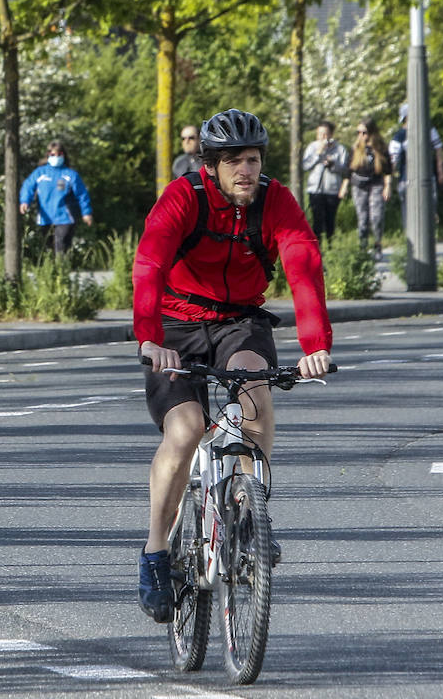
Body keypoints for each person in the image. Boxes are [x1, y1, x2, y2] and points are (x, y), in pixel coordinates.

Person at [132, 108, 333, 624]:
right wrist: (151, 339)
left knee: (255, 391)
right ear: (212, 166)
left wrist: (314, 344)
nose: (247, 170)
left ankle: (251, 517)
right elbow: (151, 261)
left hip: (239, 321)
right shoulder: (185, 197)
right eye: (235, 161)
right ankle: (156, 552)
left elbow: (303, 259)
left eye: (254, 159)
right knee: (187, 429)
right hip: (175, 326)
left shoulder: (274, 199)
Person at [18, 140, 94, 256]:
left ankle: (61, 270)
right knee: (48, 248)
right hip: (45, 218)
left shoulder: (70, 175)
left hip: (65, 218)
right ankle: (53, 271)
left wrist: (86, 213)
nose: (56, 157)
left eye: (59, 154)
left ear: (63, 155)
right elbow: (28, 187)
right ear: (48, 155)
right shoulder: (40, 173)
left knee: (61, 244)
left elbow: (82, 194)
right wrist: (25, 201)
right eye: (53, 155)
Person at [339, 117, 393, 256]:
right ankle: (362, 247)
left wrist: (388, 186)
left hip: (376, 184)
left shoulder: (381, 148)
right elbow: (348, 169)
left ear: (372, 133)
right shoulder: (356, 148)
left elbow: (388, 170)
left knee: (376, 217)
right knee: (362, 219)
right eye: (359, 132)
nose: (361, 135)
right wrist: (344, 186)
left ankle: (377, 244)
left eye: (364, 132)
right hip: (358, 185)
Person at [389, 102, 443, 207]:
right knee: (429, 213)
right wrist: (440, 171)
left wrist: (389, 182)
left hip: (409, 180)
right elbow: (439, 148)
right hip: (421, 179)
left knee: (411, 216)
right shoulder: (429, 130)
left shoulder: (398, 137)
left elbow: (393, 161)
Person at [300, 120, 348, 243]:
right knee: (317, 220)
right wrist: (318, 154)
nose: (322, 137)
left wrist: (332, 164)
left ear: (331, 134)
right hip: (315, 189)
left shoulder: (340, 149)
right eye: (320, 134)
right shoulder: (312, 147)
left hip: (332, 190)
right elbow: (305, 165)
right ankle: (318, 248)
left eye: (325, 134)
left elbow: (345, 169)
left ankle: (330, 246)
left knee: (330, 220)